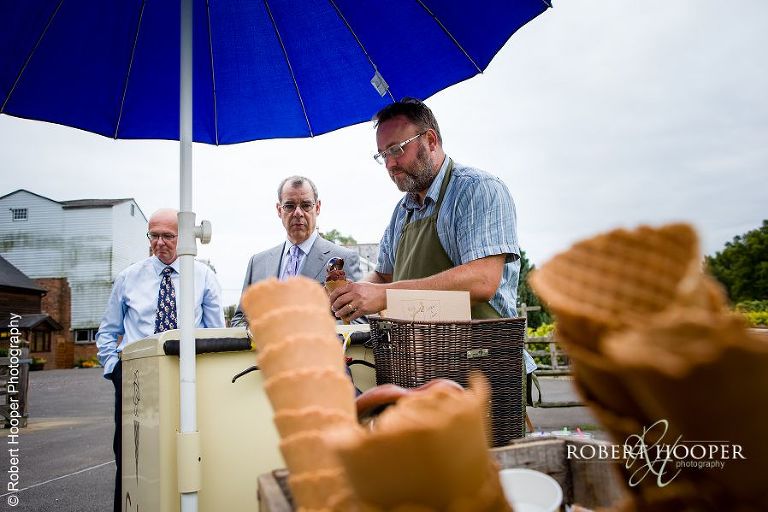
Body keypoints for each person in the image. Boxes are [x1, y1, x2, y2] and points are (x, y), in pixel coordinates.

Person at [329, 98, 536, 374]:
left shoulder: (477, 190)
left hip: (481, 365)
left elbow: (483, 279)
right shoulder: (402, 211)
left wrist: (384, 296)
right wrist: (349, 296)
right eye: (382, 155)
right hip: (419, 366)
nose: (390, 164)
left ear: (430, 140)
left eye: (397, 149)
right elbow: (383, 277)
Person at [95, 208, 225, 512]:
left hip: (186, 381)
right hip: (135, 382)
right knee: (131, 457)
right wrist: (114, 369)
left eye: (168, 236)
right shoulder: (129, 278)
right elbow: (107, 331)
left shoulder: (203, 276)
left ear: (183, 238)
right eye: (154, 235)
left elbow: (215, 333)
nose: (160, 242)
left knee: (185, 451)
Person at [231, 175, 361, 327]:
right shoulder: (257, 263)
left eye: (306, 205)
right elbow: (240, 320)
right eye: (290, 206)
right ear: (279, 210)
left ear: (317, 207)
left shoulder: (343, 259)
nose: (298, 213)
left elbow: (360, 322)